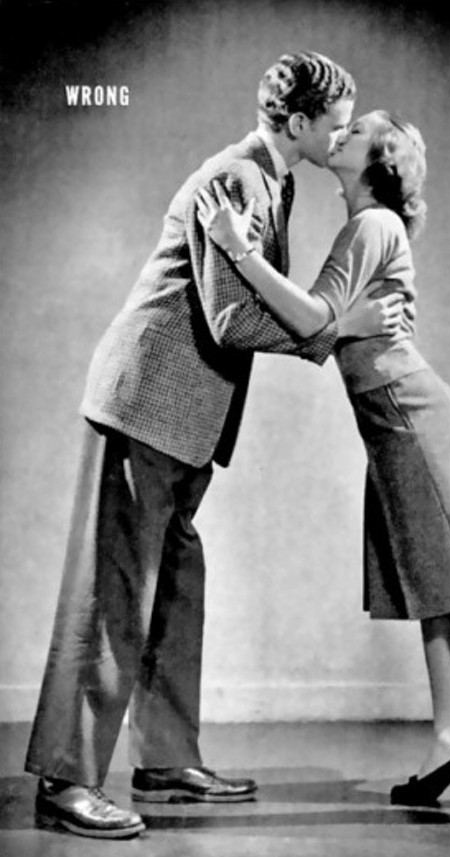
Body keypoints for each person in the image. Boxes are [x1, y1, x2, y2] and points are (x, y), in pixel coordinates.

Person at [25, 53, 407, 840]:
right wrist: (338, 330)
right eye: (337, 123)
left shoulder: (277, 181)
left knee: (176, 585)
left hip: (186, 417)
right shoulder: (235, 178)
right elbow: (233, 319)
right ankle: (65, 779)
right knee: (114, 592)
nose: (344, 136)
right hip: (145, 405)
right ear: (297, 123)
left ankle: (166, 758)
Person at [196, 109, 450, 826]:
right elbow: (324, 327)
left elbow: (311, 320)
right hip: (394, 420)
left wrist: (239, 251)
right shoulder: (367, 226)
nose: (342, 134)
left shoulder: (372, 225)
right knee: (438, 588)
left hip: (411, 416)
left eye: (359, 130)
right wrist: (339, 321)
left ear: (381, 160)